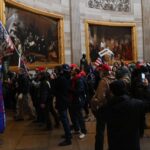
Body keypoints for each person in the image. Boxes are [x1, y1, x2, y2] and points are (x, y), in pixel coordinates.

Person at [99, 80, 150, 150]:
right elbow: (148, 103)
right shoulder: (136, 104)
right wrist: (146, 88)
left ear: (112, 92)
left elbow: (100, 115)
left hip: (115, 144)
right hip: (132, 143)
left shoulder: (106, 108)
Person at [91, 64, 115, 150]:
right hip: (112, 107)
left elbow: (100, 98)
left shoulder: (104, 81)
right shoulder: (114, 78)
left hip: (104, 108)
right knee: (111, 131)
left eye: (100, 70)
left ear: (104, 72)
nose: (99, 72)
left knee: (100, 132)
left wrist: (93, 100)